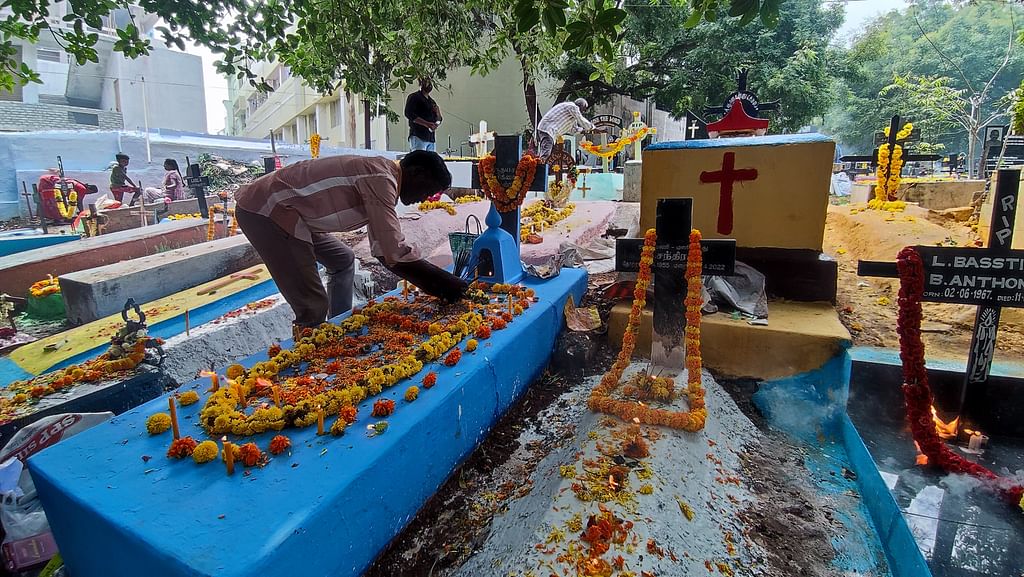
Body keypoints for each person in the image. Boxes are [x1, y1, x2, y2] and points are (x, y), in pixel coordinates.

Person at [234, 151, 468, 334]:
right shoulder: (381, 179)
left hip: (293, 215)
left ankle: (339, 325)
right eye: (428, 190)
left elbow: (384, 249)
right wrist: (445, 284)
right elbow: (393, 252)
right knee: (313, 305)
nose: (425, 198)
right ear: (417, 173)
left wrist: (438, 284)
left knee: (343, 259)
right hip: (268, 211)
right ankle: (308, 359)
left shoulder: (382, 175)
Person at [404, 78, 441, 152]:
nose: (429, 85)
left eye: (430, 83)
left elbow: (439, 120)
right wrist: (426, 124)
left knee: (430, 159)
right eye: (427, 83)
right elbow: (409, 113)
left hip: (431, 138)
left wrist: (438, 113)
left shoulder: (431, 101)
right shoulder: (414, 97)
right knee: (419, 158)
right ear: (421, 84)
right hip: (418, 136)